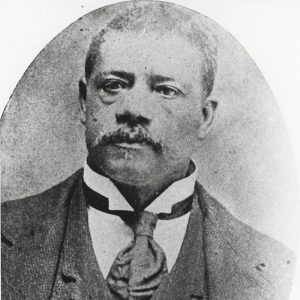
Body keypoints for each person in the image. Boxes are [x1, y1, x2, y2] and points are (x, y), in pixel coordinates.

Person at [1, 1, 295, 299]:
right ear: (83, 101)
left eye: (166, 90)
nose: (133, 109)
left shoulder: (275, 269)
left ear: (204, 117)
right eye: (114, 85)